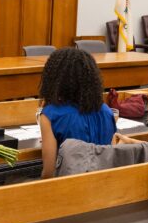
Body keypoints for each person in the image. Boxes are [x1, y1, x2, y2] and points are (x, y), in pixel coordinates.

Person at [37, 47, 116, 179]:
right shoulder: (107, 112)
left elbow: (48, 173)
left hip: (69, 190)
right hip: (103, 186)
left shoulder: (50, 115)